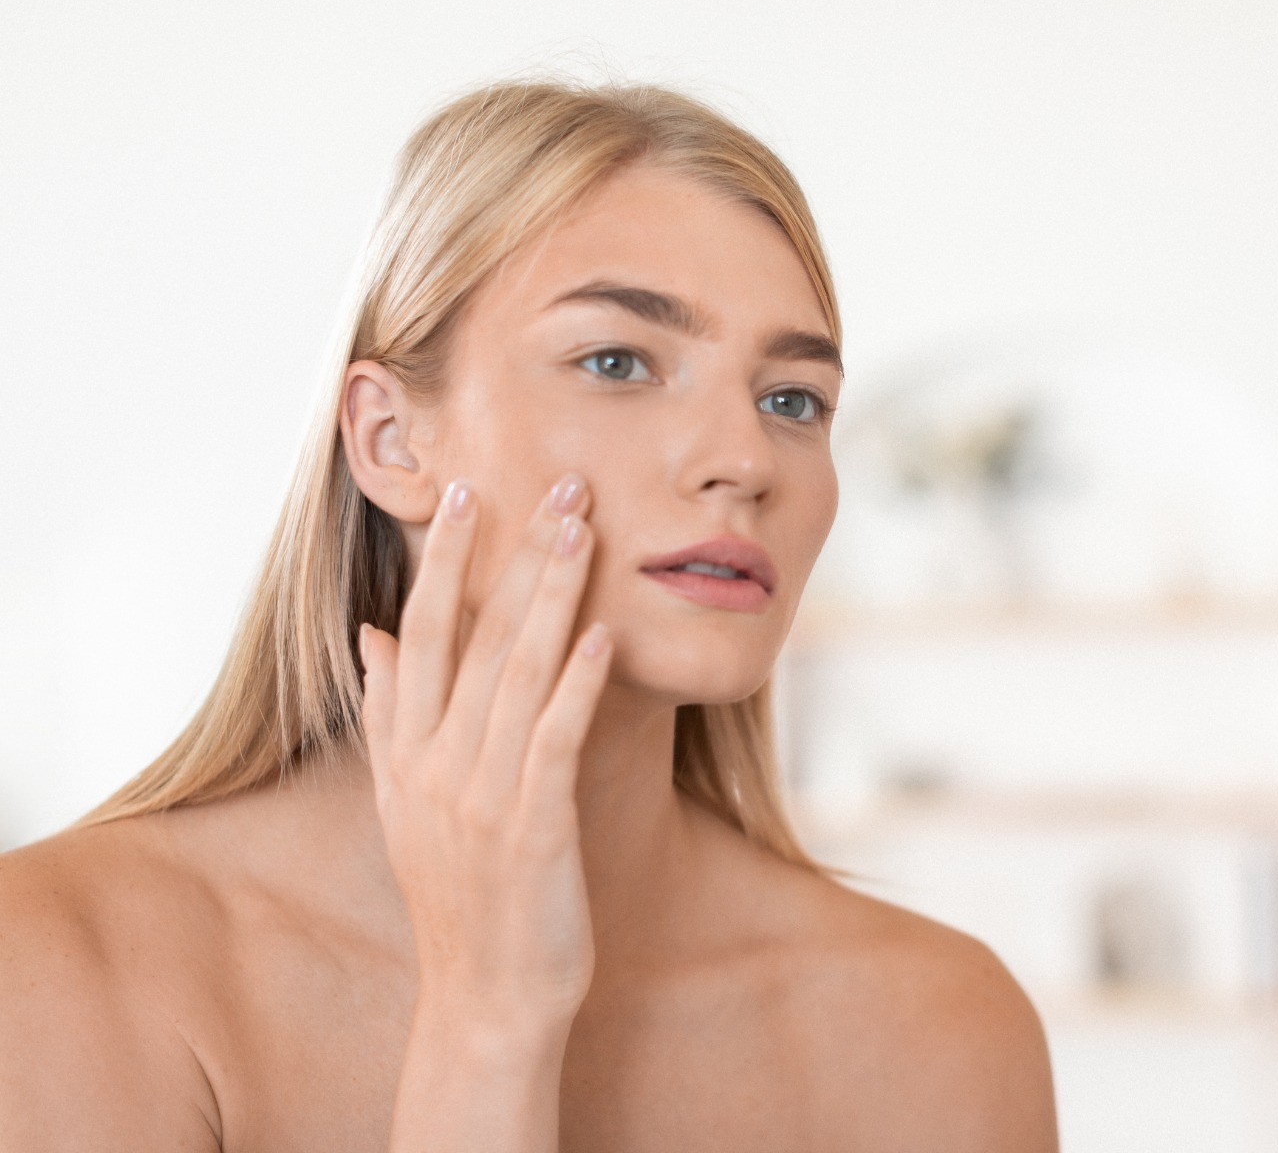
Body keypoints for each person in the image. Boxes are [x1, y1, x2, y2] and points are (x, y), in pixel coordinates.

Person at [0, 80, 1058, 1152]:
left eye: (792, 399)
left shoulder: (939, 1029)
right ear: (389, 439)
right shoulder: (58, 962)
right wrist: (487, 1021)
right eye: (616, 362)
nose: (744, 460)